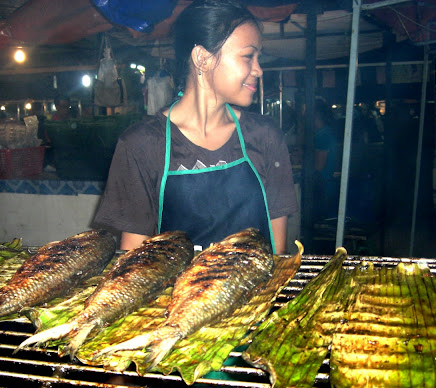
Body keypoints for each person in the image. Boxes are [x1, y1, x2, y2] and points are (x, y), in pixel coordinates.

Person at [94, 0, 298, 254]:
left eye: (258, 57)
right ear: (203, 58)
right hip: (178, 281)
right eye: (248, 56)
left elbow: (277, 253)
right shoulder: (142, 144)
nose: (258, 70)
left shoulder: (265, 136)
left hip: (254, 279)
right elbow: (133, 252)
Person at [312, 99, 339, 221]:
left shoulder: (323, 135)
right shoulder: (325, 132)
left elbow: (319, 166)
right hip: (325, 186)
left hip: (322, 188)